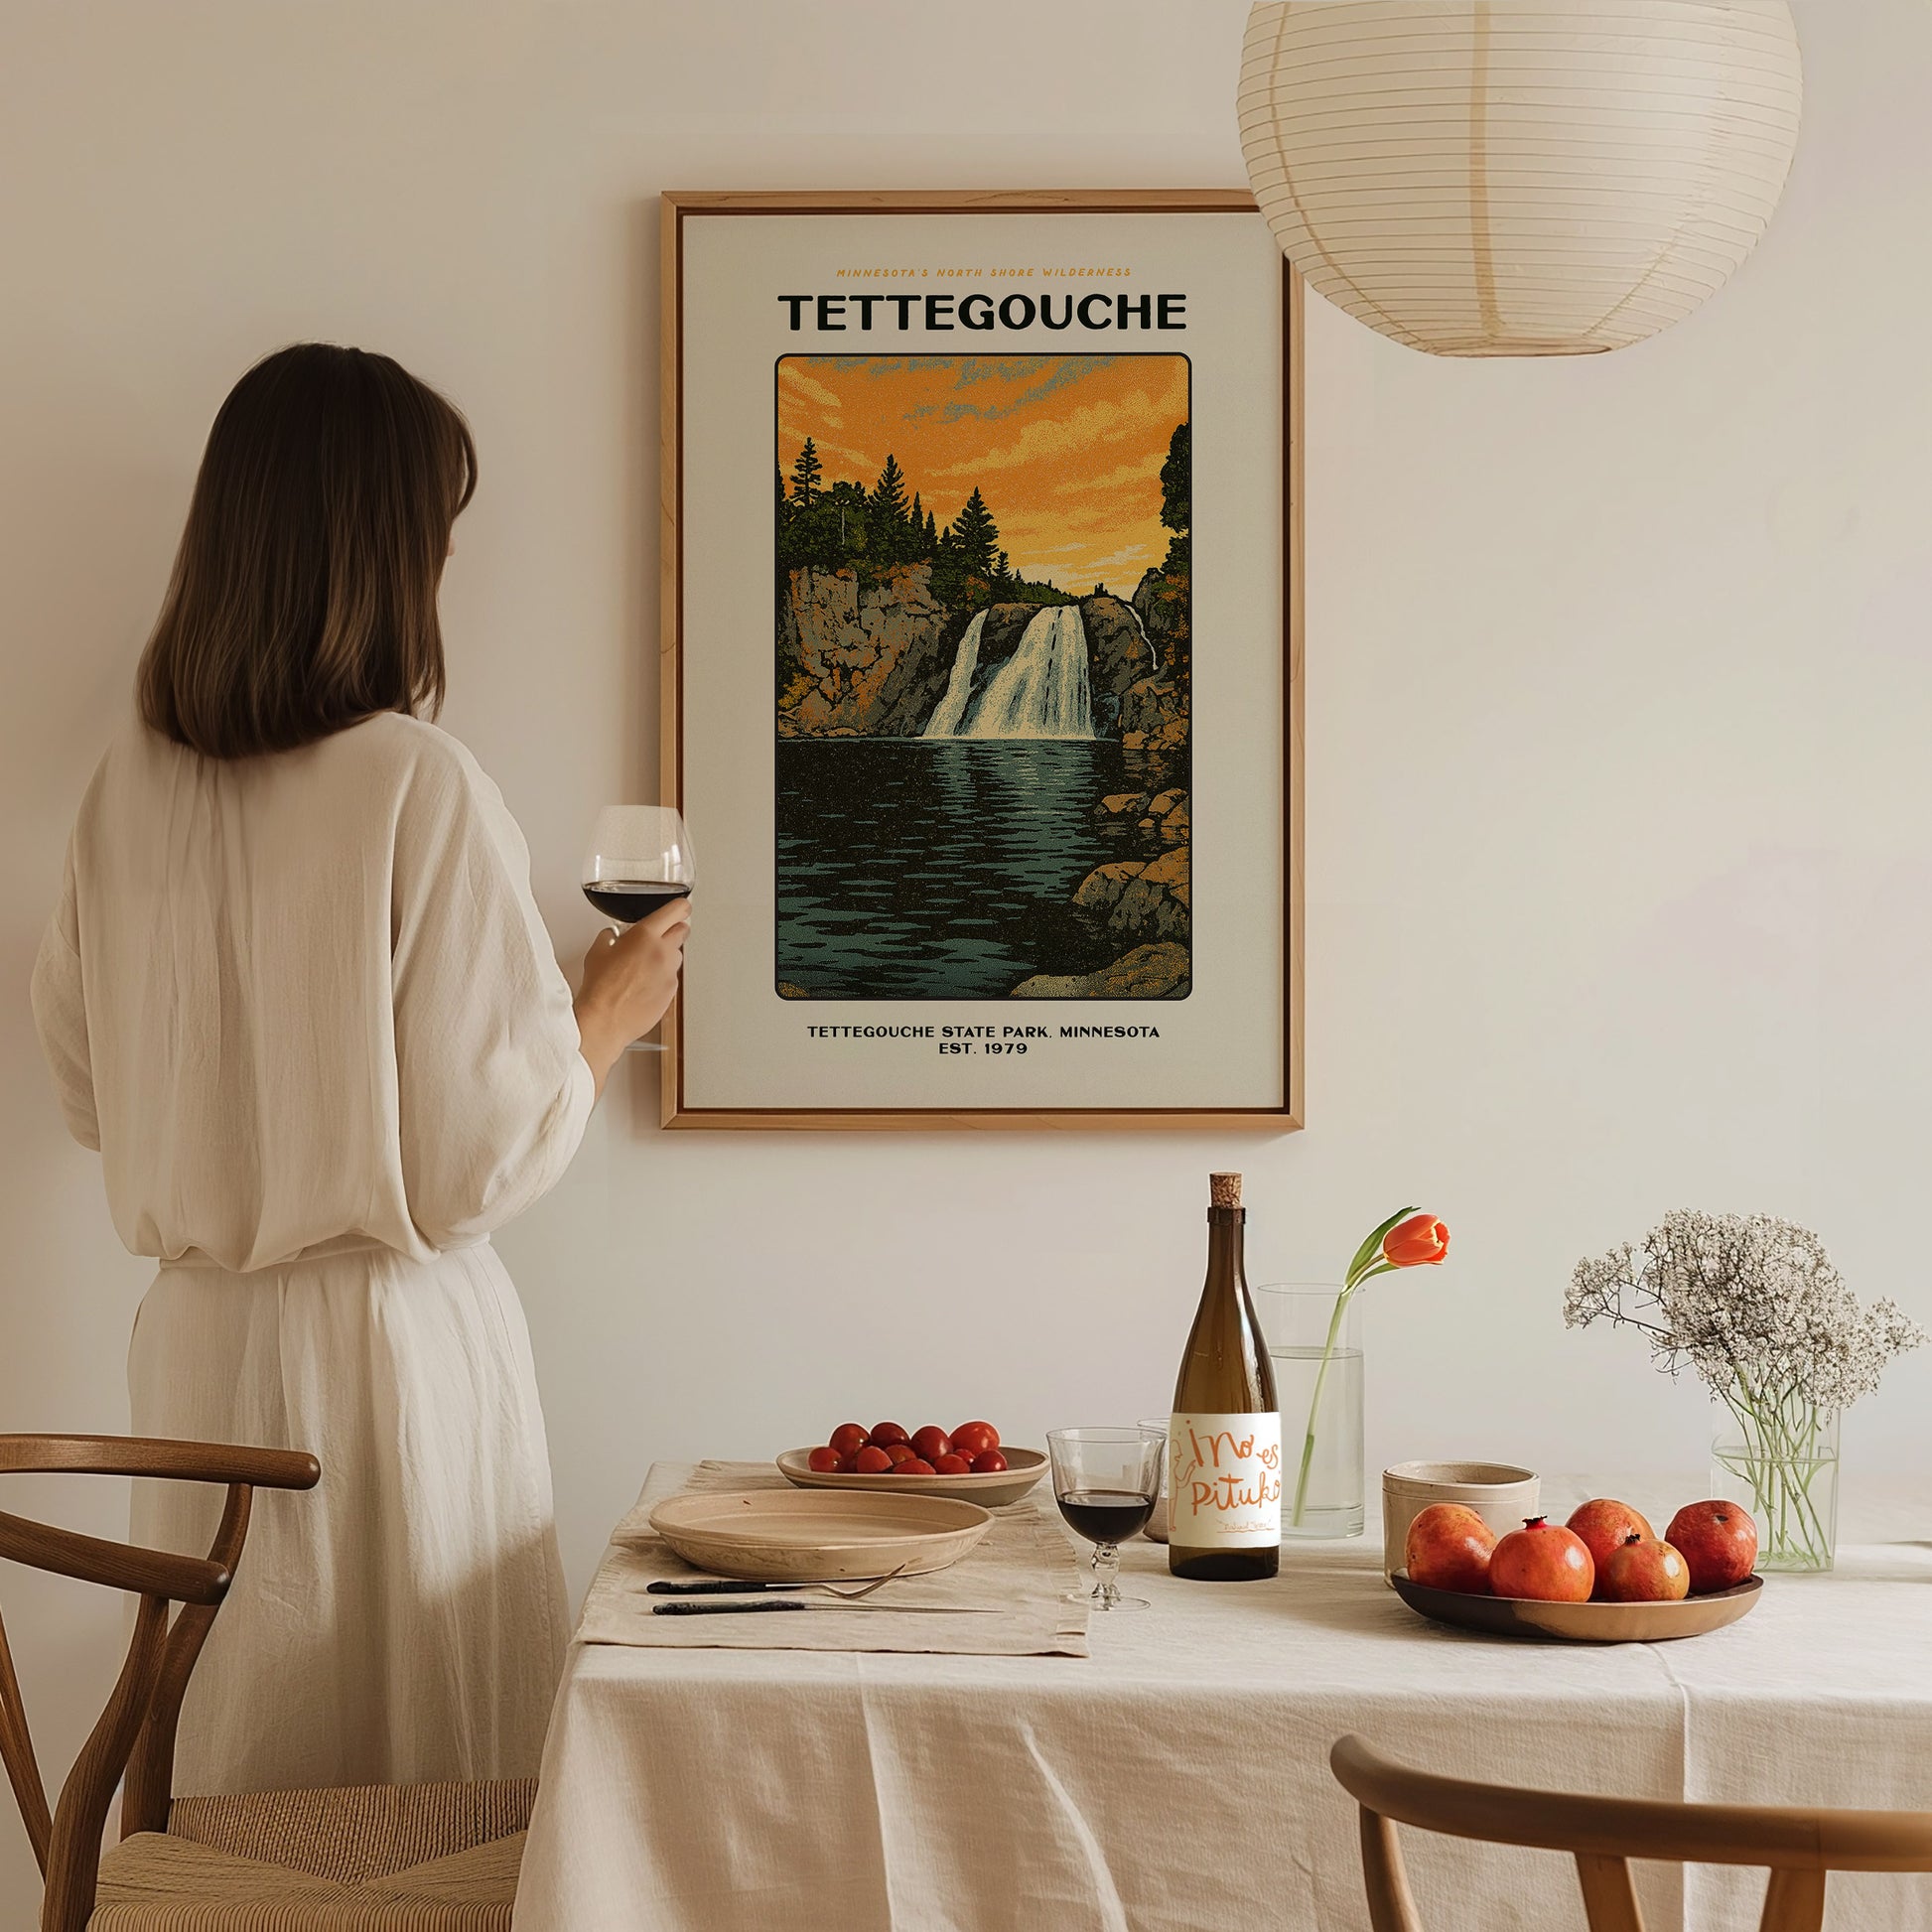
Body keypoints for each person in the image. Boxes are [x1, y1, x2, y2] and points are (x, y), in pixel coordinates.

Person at [29, 343, 685, 1793]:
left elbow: (87, 1092)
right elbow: (470, 1164)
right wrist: (602, 1012)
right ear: (384, 552)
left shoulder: (122, 791)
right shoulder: (414, 779)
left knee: (239, 1776)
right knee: (420, 1796)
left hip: (196, 1351)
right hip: (388, 1362)